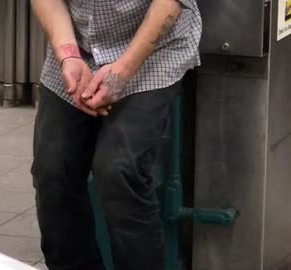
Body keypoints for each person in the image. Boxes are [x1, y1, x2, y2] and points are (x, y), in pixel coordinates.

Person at [30, 0, 201, 269]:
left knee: (118, 171)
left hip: (153, 52)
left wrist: (123, 70)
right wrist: (68, 55)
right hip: (80, 46)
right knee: (52, 170)